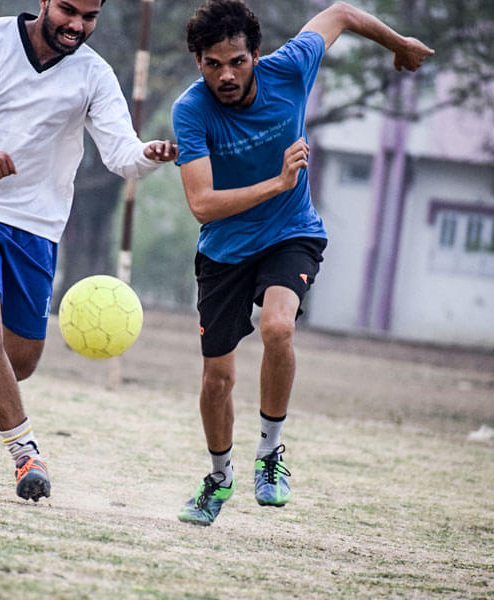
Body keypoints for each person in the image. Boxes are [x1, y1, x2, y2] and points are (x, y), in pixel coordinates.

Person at [172, 0, 433, 526]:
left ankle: (269, 456)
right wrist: (278, 182)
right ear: (198, 61)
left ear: (256, 55)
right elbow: (202, 204)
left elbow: (340, 13)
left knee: (277, 328)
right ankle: (219, 479)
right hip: (224, 249)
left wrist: (400, 45)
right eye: (213, 64)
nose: (226, 75)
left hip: (292, 233)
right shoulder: (191, 110)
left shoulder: (290, 68)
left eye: (237, 62)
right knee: (217, 380)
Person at [0, 0, 178, 503]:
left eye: (90, 17)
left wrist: (150, 154)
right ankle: (25, 454)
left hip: (36, 225)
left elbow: (121, 153)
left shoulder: (95, 76)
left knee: (22, 360)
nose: (78, 26)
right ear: (43, 2)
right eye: (68, 11)